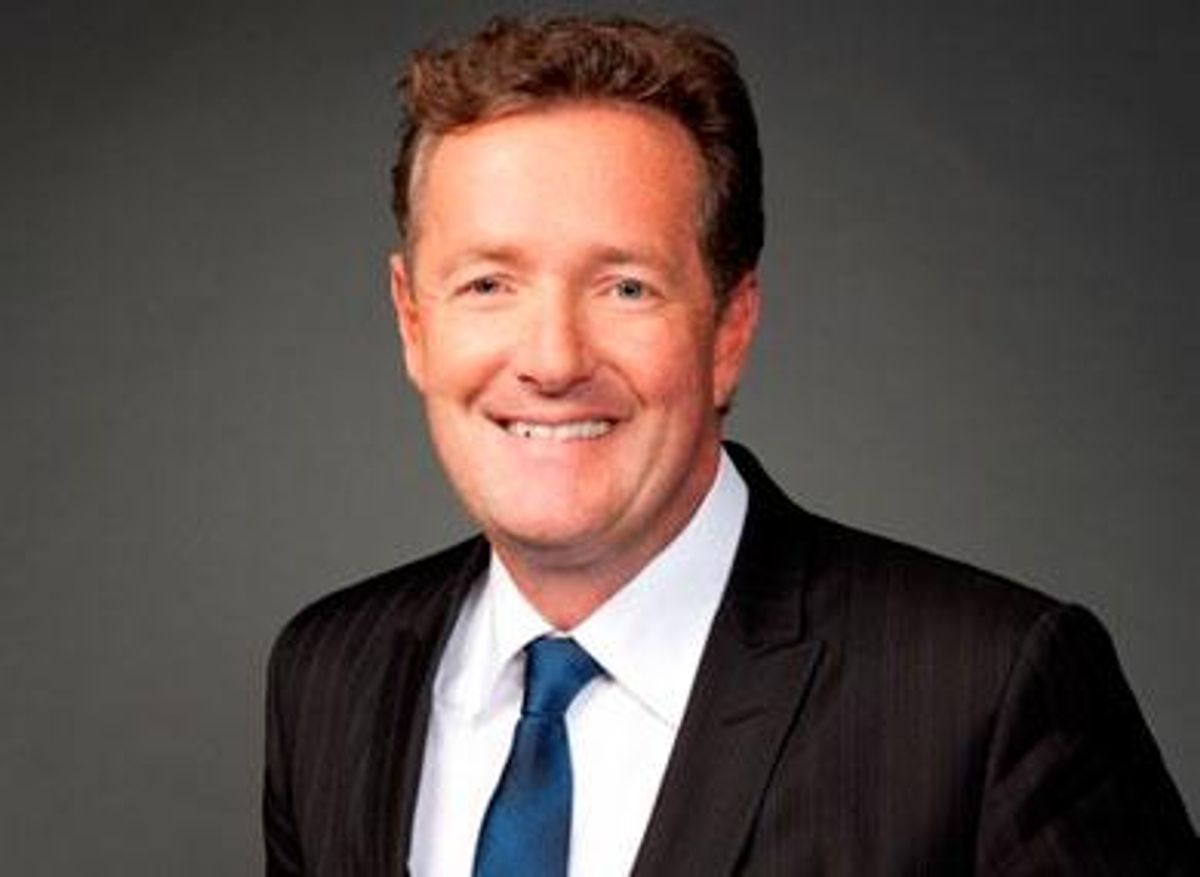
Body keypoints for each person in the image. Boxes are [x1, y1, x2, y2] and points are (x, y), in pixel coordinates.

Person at [263, 15, 1197, 876]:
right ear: (413, 320)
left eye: (625, 287)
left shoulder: (985, 694)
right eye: (487, 285)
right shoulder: (329, 676)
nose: (552, 360)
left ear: (730, 328)